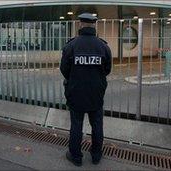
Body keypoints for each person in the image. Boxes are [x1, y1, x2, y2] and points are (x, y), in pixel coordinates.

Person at [60, 13, 112, 166]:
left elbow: (64, 70)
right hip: (96, 93)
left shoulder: (71, 46)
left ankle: (76, 156)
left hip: (76, 92)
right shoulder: (103, 46)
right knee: (97, 124)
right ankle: (96, 155)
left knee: (76, 124)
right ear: (94, 25)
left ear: (80, 25)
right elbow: (107, 70)